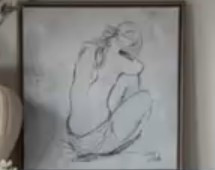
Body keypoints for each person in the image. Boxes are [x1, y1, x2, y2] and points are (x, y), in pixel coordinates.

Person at [65, 21, 153, 160]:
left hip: (74, 137)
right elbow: (138, 67)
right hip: (95, 141)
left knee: (113, 85)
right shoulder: (118, 59)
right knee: (144, 96)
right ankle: (119, 142)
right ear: (128, 44)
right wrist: (127, 56)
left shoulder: (89, 49)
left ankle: (105, 138)